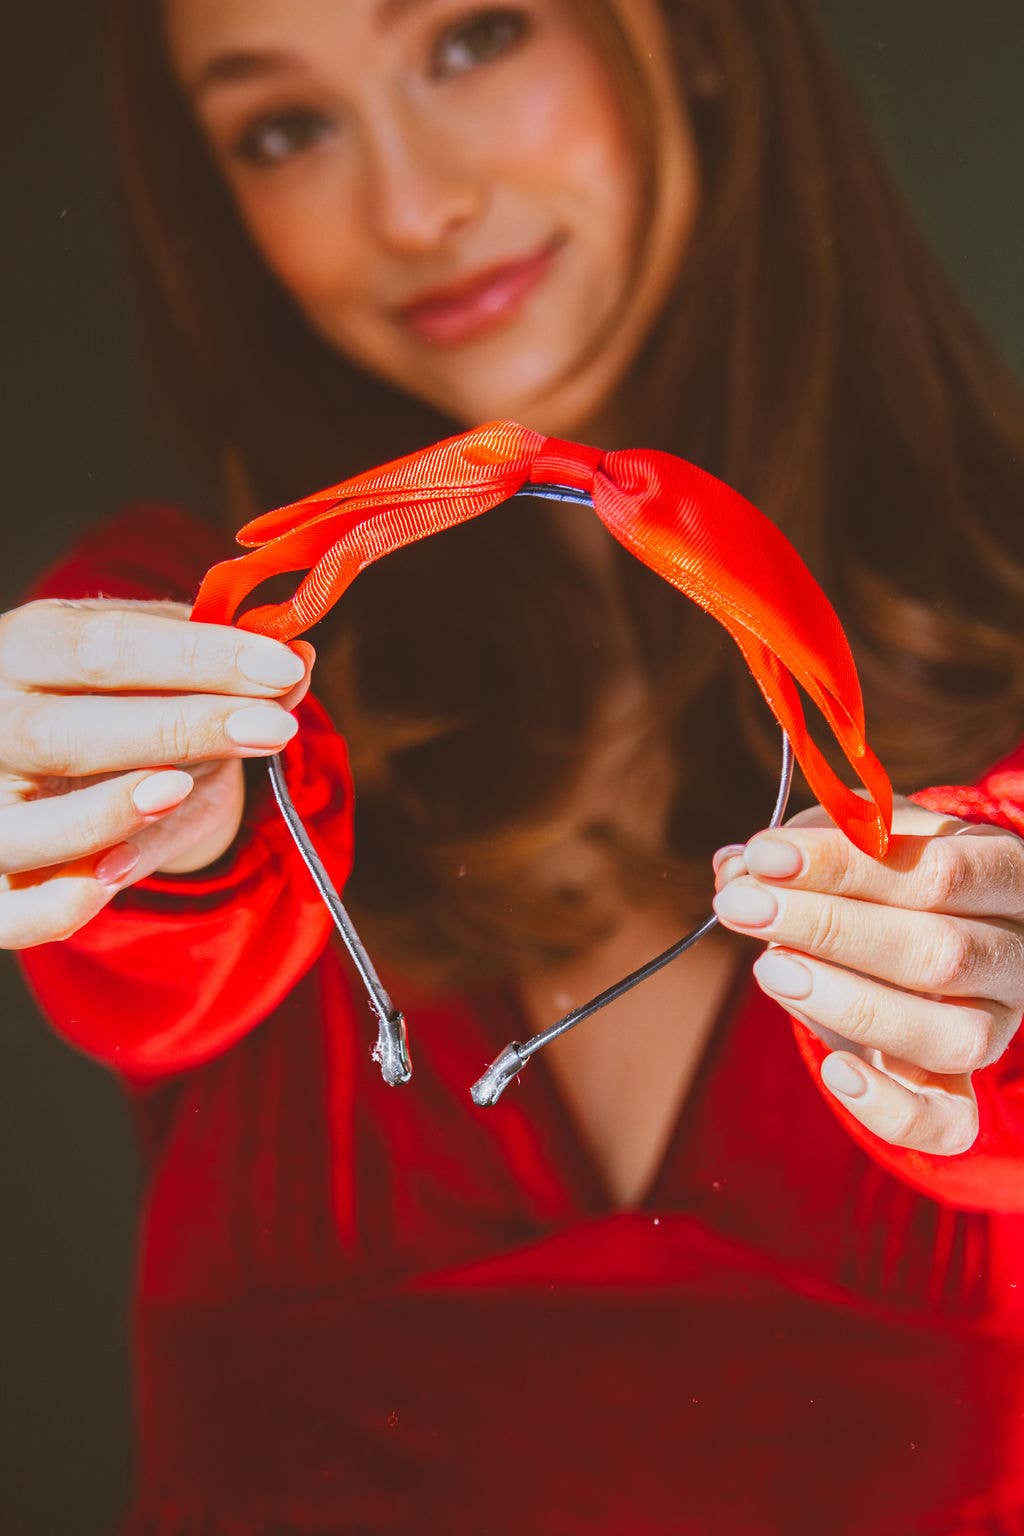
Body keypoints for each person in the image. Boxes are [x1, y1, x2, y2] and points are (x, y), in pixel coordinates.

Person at [3, 0, 1024, 1529]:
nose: (415, 209)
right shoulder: (204, 618)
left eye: (475, 38)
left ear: (695, 33)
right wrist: (127, 812)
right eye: (284, 128)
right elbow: (170, 933)